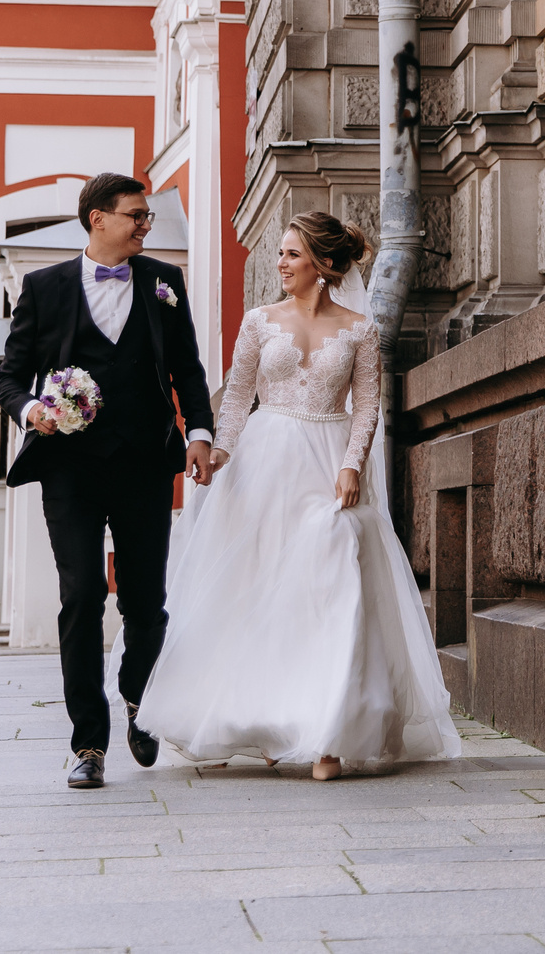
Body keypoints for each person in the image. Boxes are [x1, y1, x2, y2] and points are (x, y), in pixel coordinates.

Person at [137, 212, 459, 779]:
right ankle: (273, 720)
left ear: (323, 264)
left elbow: (366, 406)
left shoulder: (361, 329)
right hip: (265, 462)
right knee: (266, 591)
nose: (281, 264)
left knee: (332, 573)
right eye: (281, 254)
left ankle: (330, 734)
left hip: (329, 460)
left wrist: (352, 463)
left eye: (291, 254)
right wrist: (220, 453)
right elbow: (237, 397)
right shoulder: (260, 322)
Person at [0, 172, 217, 790]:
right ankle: (87, 743)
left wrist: (200, 434)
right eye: (136, 215)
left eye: (147, 216)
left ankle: (140, 699)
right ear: (98, 219)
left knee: (145, 601)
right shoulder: (43, 288)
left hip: (145, 462)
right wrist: (31, 409)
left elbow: (187, 370)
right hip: (69, 468)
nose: (146, 224)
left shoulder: (164, 284)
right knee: (83, 594)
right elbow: (7, 377)